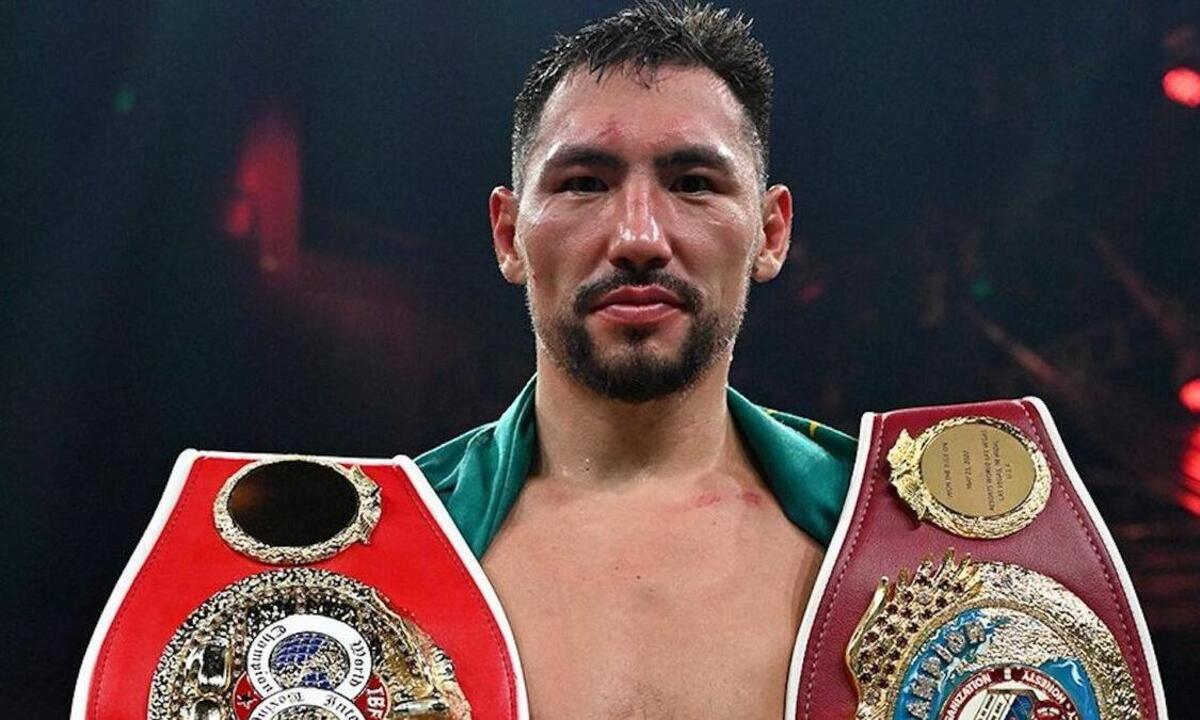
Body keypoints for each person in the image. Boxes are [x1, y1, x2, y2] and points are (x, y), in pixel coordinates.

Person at [416, 2, 855, 716]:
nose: (639, 237)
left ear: (770, 233)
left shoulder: (902, 536)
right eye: (585, 183)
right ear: (508, 236)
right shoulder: (388, 545)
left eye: (694, 183)